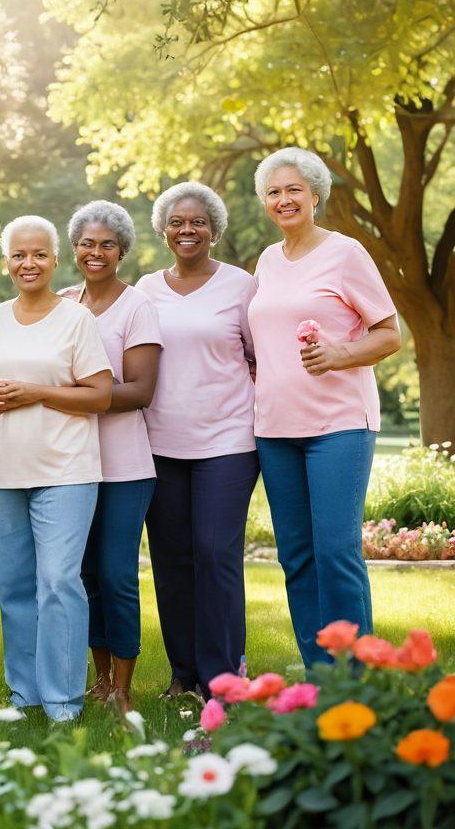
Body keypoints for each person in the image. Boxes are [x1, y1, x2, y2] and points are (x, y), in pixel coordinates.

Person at [248, 148, 400, 668]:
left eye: (294, 190)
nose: (284, 200)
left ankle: (356, 674)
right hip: (275, 429)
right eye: (273, 192)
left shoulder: (346, 253)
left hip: (338, 426)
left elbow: (389, 334)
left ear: (315, 195)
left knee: (336, 552)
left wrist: (339, 354)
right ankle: (320, 675)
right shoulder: (267, 261)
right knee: (297, 556)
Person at [0, 215, 112, 723]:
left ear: (55, 260)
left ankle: (63, 700)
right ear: (6, 262)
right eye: (19, 255)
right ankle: (25, 694)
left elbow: (100, 395)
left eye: (38, 254)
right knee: (13, 587)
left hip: (65, 469)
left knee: (58, 581)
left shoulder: (77, 319)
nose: (28, 263)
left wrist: (35, 392)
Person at [137, 182, 259, 699]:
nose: (187, 230)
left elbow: (259, 354)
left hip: (228, 441)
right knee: (171, 560)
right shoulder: (145, 289)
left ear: (214, 229)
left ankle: (223, 677)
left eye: (198, 222)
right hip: (158, 442)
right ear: (163, 231)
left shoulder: (241, 286)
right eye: (177, 222)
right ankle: (183, 674)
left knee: (214, 554)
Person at [62, 201, 161, 714]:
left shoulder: (137, 306)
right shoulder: (60, 302)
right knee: (84, 575)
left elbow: (140, 390)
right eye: (87, 243)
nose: (95, 252)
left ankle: (123, 687)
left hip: (124, 466)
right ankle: (98, 680)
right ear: (74, 248)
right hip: (70, 462)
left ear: (122, 251)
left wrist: (68, 394)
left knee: (117, 574)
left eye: (107, 245)